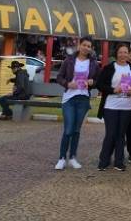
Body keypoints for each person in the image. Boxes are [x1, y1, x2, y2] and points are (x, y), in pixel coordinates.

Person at [54, 37, 99, 170]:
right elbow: (59, 77)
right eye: (84, 45)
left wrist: (92, 82)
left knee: (76, 130)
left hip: (83, 98)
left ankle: (73, 157)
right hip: (69, 98)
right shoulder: (69, 60)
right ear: (79, 46)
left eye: (89, 46)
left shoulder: (93, 63)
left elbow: (98, 79)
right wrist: (68, 83)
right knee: (68, 130)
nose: (86, 48)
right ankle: (62, 158)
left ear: (91, 49)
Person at [97, 44, 131, 171]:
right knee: (110, 133)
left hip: (127, 106)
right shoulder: (109, 68)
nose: (123, 55)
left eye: (125, 52)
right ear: (116, 54)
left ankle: (119, 162)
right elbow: (99, 85)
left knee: (121, 134)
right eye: (120, 52)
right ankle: (104, 161)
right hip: (111, 105)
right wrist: (113, 90)